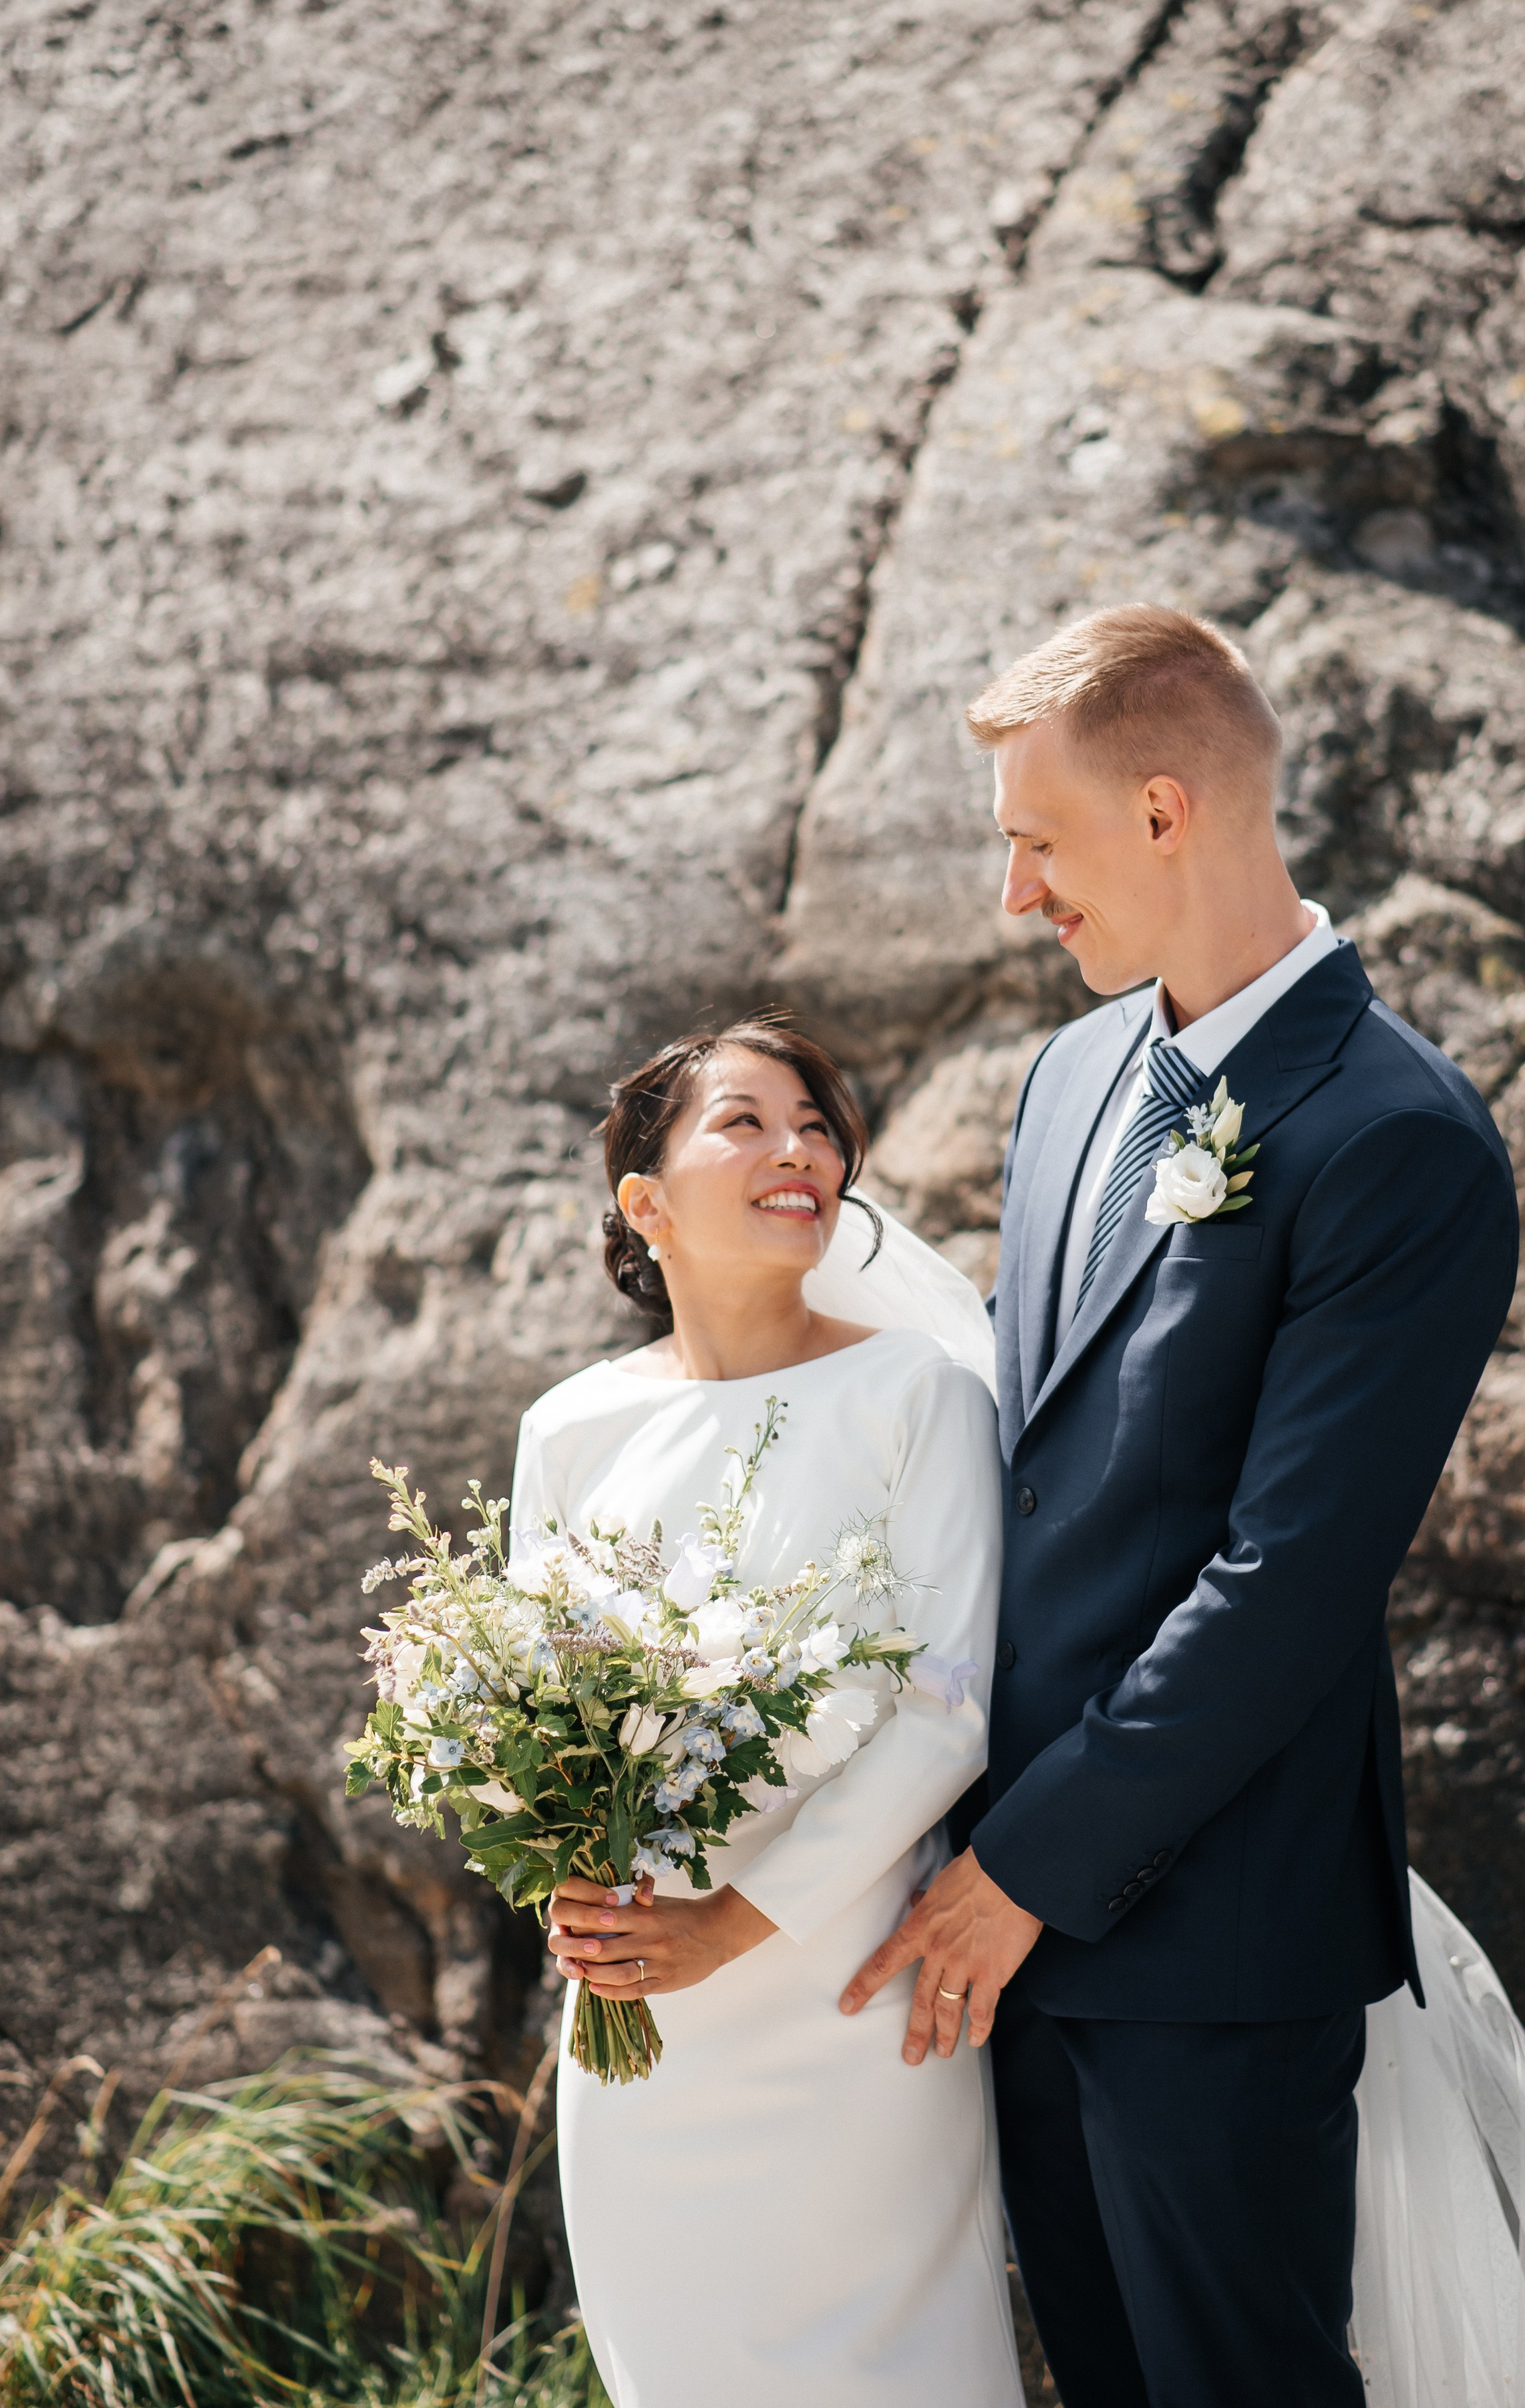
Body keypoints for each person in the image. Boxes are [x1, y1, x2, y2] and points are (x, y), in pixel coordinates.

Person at [836, 600, 1525, 2402]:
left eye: (1035, 840)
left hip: (1213, 1937)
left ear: (1164, 812)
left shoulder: (1400, 1139)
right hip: (1015, 1924)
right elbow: (1030, 1473)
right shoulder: (1072, 1079)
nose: (1016, 895)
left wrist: (1023, 1872)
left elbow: (1288, 1578)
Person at [512, 1019, 1025, 2408]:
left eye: (816, 1123)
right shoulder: (564, 1429)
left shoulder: (918, 1397)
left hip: (847, 1997)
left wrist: (728, 1928)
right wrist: (560, 1869)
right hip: (636, 2040)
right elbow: (533, 1713)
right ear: (646, 1202)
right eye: (745, 1121)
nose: (799, 1148)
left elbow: (947, 1707)